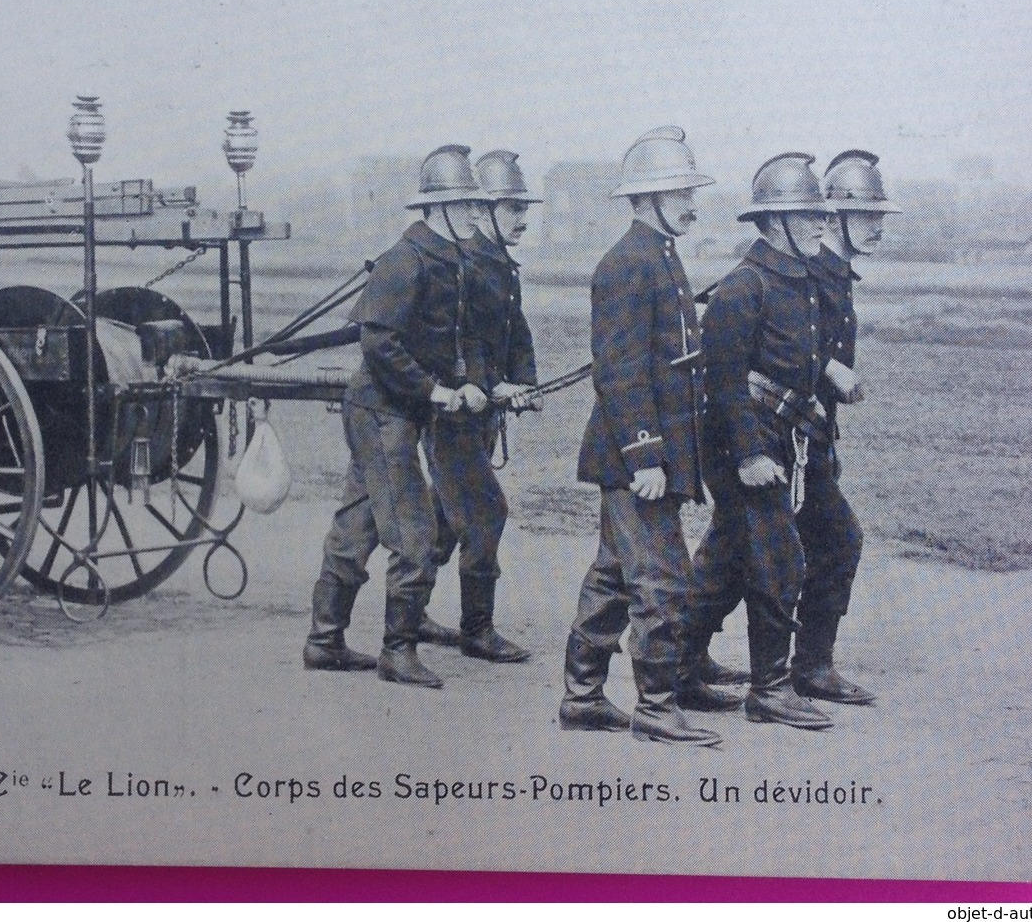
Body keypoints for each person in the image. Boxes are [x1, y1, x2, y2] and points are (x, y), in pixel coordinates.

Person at [300, 145, 493, 689]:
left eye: (479, 205)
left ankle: (324, 641)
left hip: (401, 409)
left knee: (356, 524)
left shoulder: (455, 260)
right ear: (437, 208)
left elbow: (462, 337)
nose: (479, 214)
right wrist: (433, 392)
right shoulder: (403, 261)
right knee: (412, 530)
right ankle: (397, 651)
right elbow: (378, 340)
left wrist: (475, 385)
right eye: (468, 204)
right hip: (380, 410)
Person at [558, 127, 723, 746]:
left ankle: (581, 696)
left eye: (687, 191)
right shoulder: (627, 264)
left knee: (613, 573)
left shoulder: (659, 255)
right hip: (635, 456)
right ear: (646, 198)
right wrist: (645, 454)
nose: (690, 203)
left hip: (650, 452)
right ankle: (655, 707)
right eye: (679, 192)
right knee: (661, 579)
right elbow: (620, 371)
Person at [694, 152, 838, 730]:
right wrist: (752, 453)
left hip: (782, 434)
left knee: (730, 554)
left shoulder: (799, 280)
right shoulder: (743, 287)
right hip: (742, 442)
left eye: (821, 215)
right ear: (774, 221)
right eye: (808, 216)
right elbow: (723, 382)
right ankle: (771, 688)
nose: (820, 225)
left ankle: (679, 666)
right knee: (778, 556)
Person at [789, 149, 901, 705]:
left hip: (807, 436)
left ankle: (687, 655)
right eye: (869, 216)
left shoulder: (833, 274)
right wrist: (823, 370)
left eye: (881, 217)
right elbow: (768, 348)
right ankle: (810, 666)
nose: (878, 226)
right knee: (837, 539)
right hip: (781, 435)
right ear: (832, 217)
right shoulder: (809, 274)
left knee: (740, 548)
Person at [418, 149, 538, 664]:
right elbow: (455, 345)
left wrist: (521, 382)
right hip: (451, 413)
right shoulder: (463, 268)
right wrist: (491, 385)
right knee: (487, 511)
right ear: (483, 211)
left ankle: (410, 613)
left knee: (450, 516)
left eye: (521, 207)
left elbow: (515, 333)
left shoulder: (498, 267)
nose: (523, 218)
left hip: (479, 409)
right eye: (511, 208)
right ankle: (477, 630)